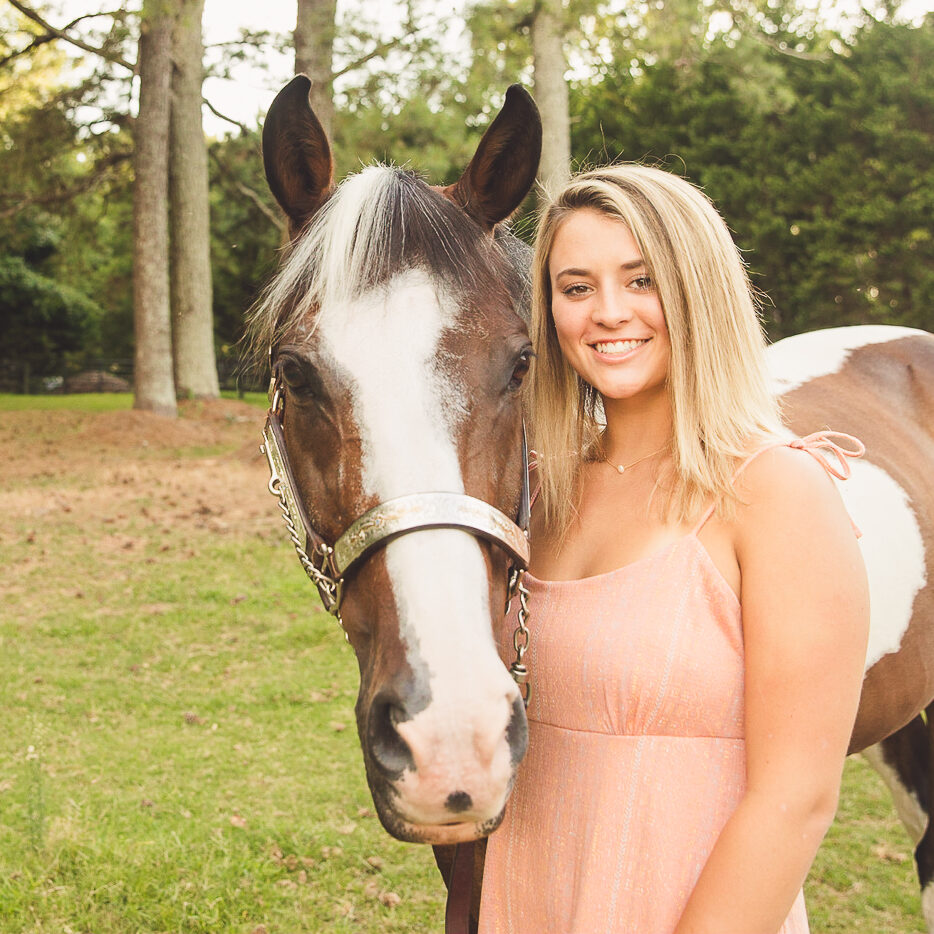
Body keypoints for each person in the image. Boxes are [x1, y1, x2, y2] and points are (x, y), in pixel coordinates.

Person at [477, 165, 870, 934]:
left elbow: (796, 800)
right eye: (576, 287)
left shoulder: (776, 491)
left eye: (641, 279)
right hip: (530, 898)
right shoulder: (537, 494)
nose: (607, 313)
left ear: (699, 290)